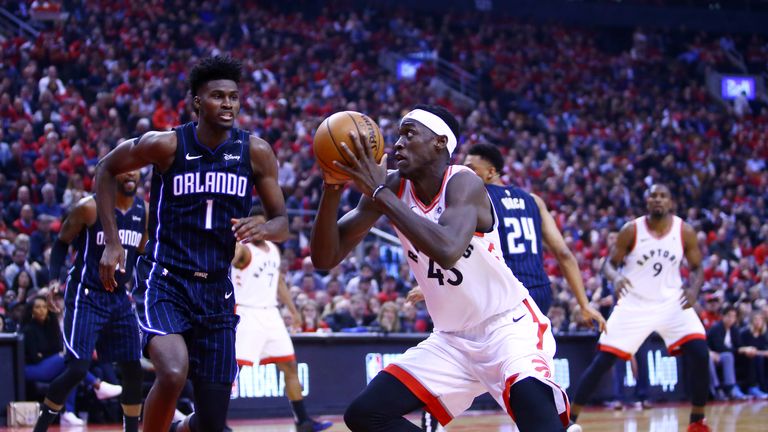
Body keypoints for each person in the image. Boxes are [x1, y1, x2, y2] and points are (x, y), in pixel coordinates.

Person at [310, 104, 569, 431]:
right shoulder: (391, 188)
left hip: (507, 328)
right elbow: (325, 258)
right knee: (364, 414)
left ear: (440, 142)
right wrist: (331, 188)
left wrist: (378, 194)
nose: (397, 144)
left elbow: (447, 250)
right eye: (397, 135)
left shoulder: (463, 182)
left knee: (535, 410)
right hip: (452, 341)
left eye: (409, 134)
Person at [93, 55, 289, 432]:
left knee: (212, 423)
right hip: (166, 279)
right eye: (218, 96)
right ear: (197, 102)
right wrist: (113, 242)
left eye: (233, 97)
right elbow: (106, 168)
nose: (228, 104)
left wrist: (264, 226)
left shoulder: (255, 152)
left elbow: (282, 222)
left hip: (216, 288)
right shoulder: (166, 145)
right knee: (172, 372)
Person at [568, 184, 711, 432]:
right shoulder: (631, 230)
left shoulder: (684, 231)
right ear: (647, 202)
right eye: (653, 196)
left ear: (671, 202)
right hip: (634, 305)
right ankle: (568, 419)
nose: (657, 199)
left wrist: (694, 289)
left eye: (663, 196)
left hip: (672, 303)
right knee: (602, 362)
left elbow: (698, 268)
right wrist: (616, 278)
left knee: (700, 352)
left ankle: (697, 421)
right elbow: (608, 265)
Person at [31, 168, 145, 431]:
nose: (130, 174)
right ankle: (40, 428)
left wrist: (136, 285)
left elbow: (141, 253)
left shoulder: (144, 212)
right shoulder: (89, 208)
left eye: (135, 170)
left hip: (119, 298)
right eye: (124, 169)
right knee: (77, 368)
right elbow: (61, 243)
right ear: (112, 173)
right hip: (86, 295)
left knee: (132, 369)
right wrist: (53, 280)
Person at [463, 144, 605, 321]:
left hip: (505, 292)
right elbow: (564, 253)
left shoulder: (479, 198)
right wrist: (584, 304)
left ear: (491, 172)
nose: (464, 174)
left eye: (470, 169)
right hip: (540, 292)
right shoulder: (534, 200)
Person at [230, 206, 332, 432]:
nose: (256, 230)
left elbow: (278, 282)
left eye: (260, 225)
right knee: (233, 372)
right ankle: (210, 421)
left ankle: (302, 421)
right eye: (252, 225)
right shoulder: (243, 250)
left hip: (271, 314)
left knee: (290, 366)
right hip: (247, 313)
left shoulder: (273, 250)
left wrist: (293, 311)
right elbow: (234, 254)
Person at [23, 296, 123, 427]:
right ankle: (97, 385)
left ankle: (68, 413)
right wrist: (52, 355)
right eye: (37, 307)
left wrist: (50, 355)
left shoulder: (52, 327)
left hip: (52, 364)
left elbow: (56, 349)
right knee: (67, 361)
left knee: (72, 371)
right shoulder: (28, 330)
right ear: (31, 310)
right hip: (31, 369)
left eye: (44, 307)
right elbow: (36, 357)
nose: (41, 310)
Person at [706, 305, 748, 400]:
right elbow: (719, 347)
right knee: (723, 356)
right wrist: (738, 350)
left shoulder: (734, 329)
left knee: (728, 356)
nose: (731, 319)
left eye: (733, 316)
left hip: (725, 355)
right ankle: (717, 388)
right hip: (712, 354)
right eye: (729, 316)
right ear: (723, 316)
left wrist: (745, 349)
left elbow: (738, 345)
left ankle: (730, 388)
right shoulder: (716, 328)